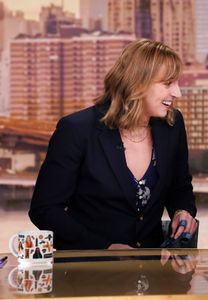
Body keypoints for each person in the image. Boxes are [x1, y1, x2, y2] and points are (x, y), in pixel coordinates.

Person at [29, 39, 197, 250]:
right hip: (88, 272)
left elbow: (180, 186)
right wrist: (103, 247)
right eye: (167, 84)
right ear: (137, 83)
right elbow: (44, 210)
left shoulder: (172, 124)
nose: (177, 93)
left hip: (152, 269)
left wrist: (183, 210)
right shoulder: (76, 129)